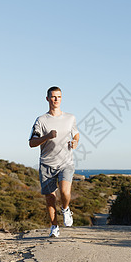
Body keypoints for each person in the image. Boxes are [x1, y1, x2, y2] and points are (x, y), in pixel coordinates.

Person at [29, 86, 80, 238]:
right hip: (47, 163)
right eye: (53, 96)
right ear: (47, 99)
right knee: (50, 197)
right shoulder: (41, 120)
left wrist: (75, 142)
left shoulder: (70, 118)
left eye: (59, 96)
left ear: (61, 98)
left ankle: (65, 209)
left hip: (66, 162)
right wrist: (47, 137)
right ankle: (54, 226)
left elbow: (76, 135)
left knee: (65, 192)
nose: (56, 99)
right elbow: (32, 142)